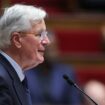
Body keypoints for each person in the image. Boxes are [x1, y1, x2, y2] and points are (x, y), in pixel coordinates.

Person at [0, 4, 50, 105]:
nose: (47, 41)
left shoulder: (12, 73)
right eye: (39, 34)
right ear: (17, 40)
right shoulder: (1, 79)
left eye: (46, 34)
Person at [25, 31, 81, 105]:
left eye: (54, 47)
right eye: (48, 48)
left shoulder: (66, 73)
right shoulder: (26, 72)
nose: (53, 52)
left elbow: (74, 101)